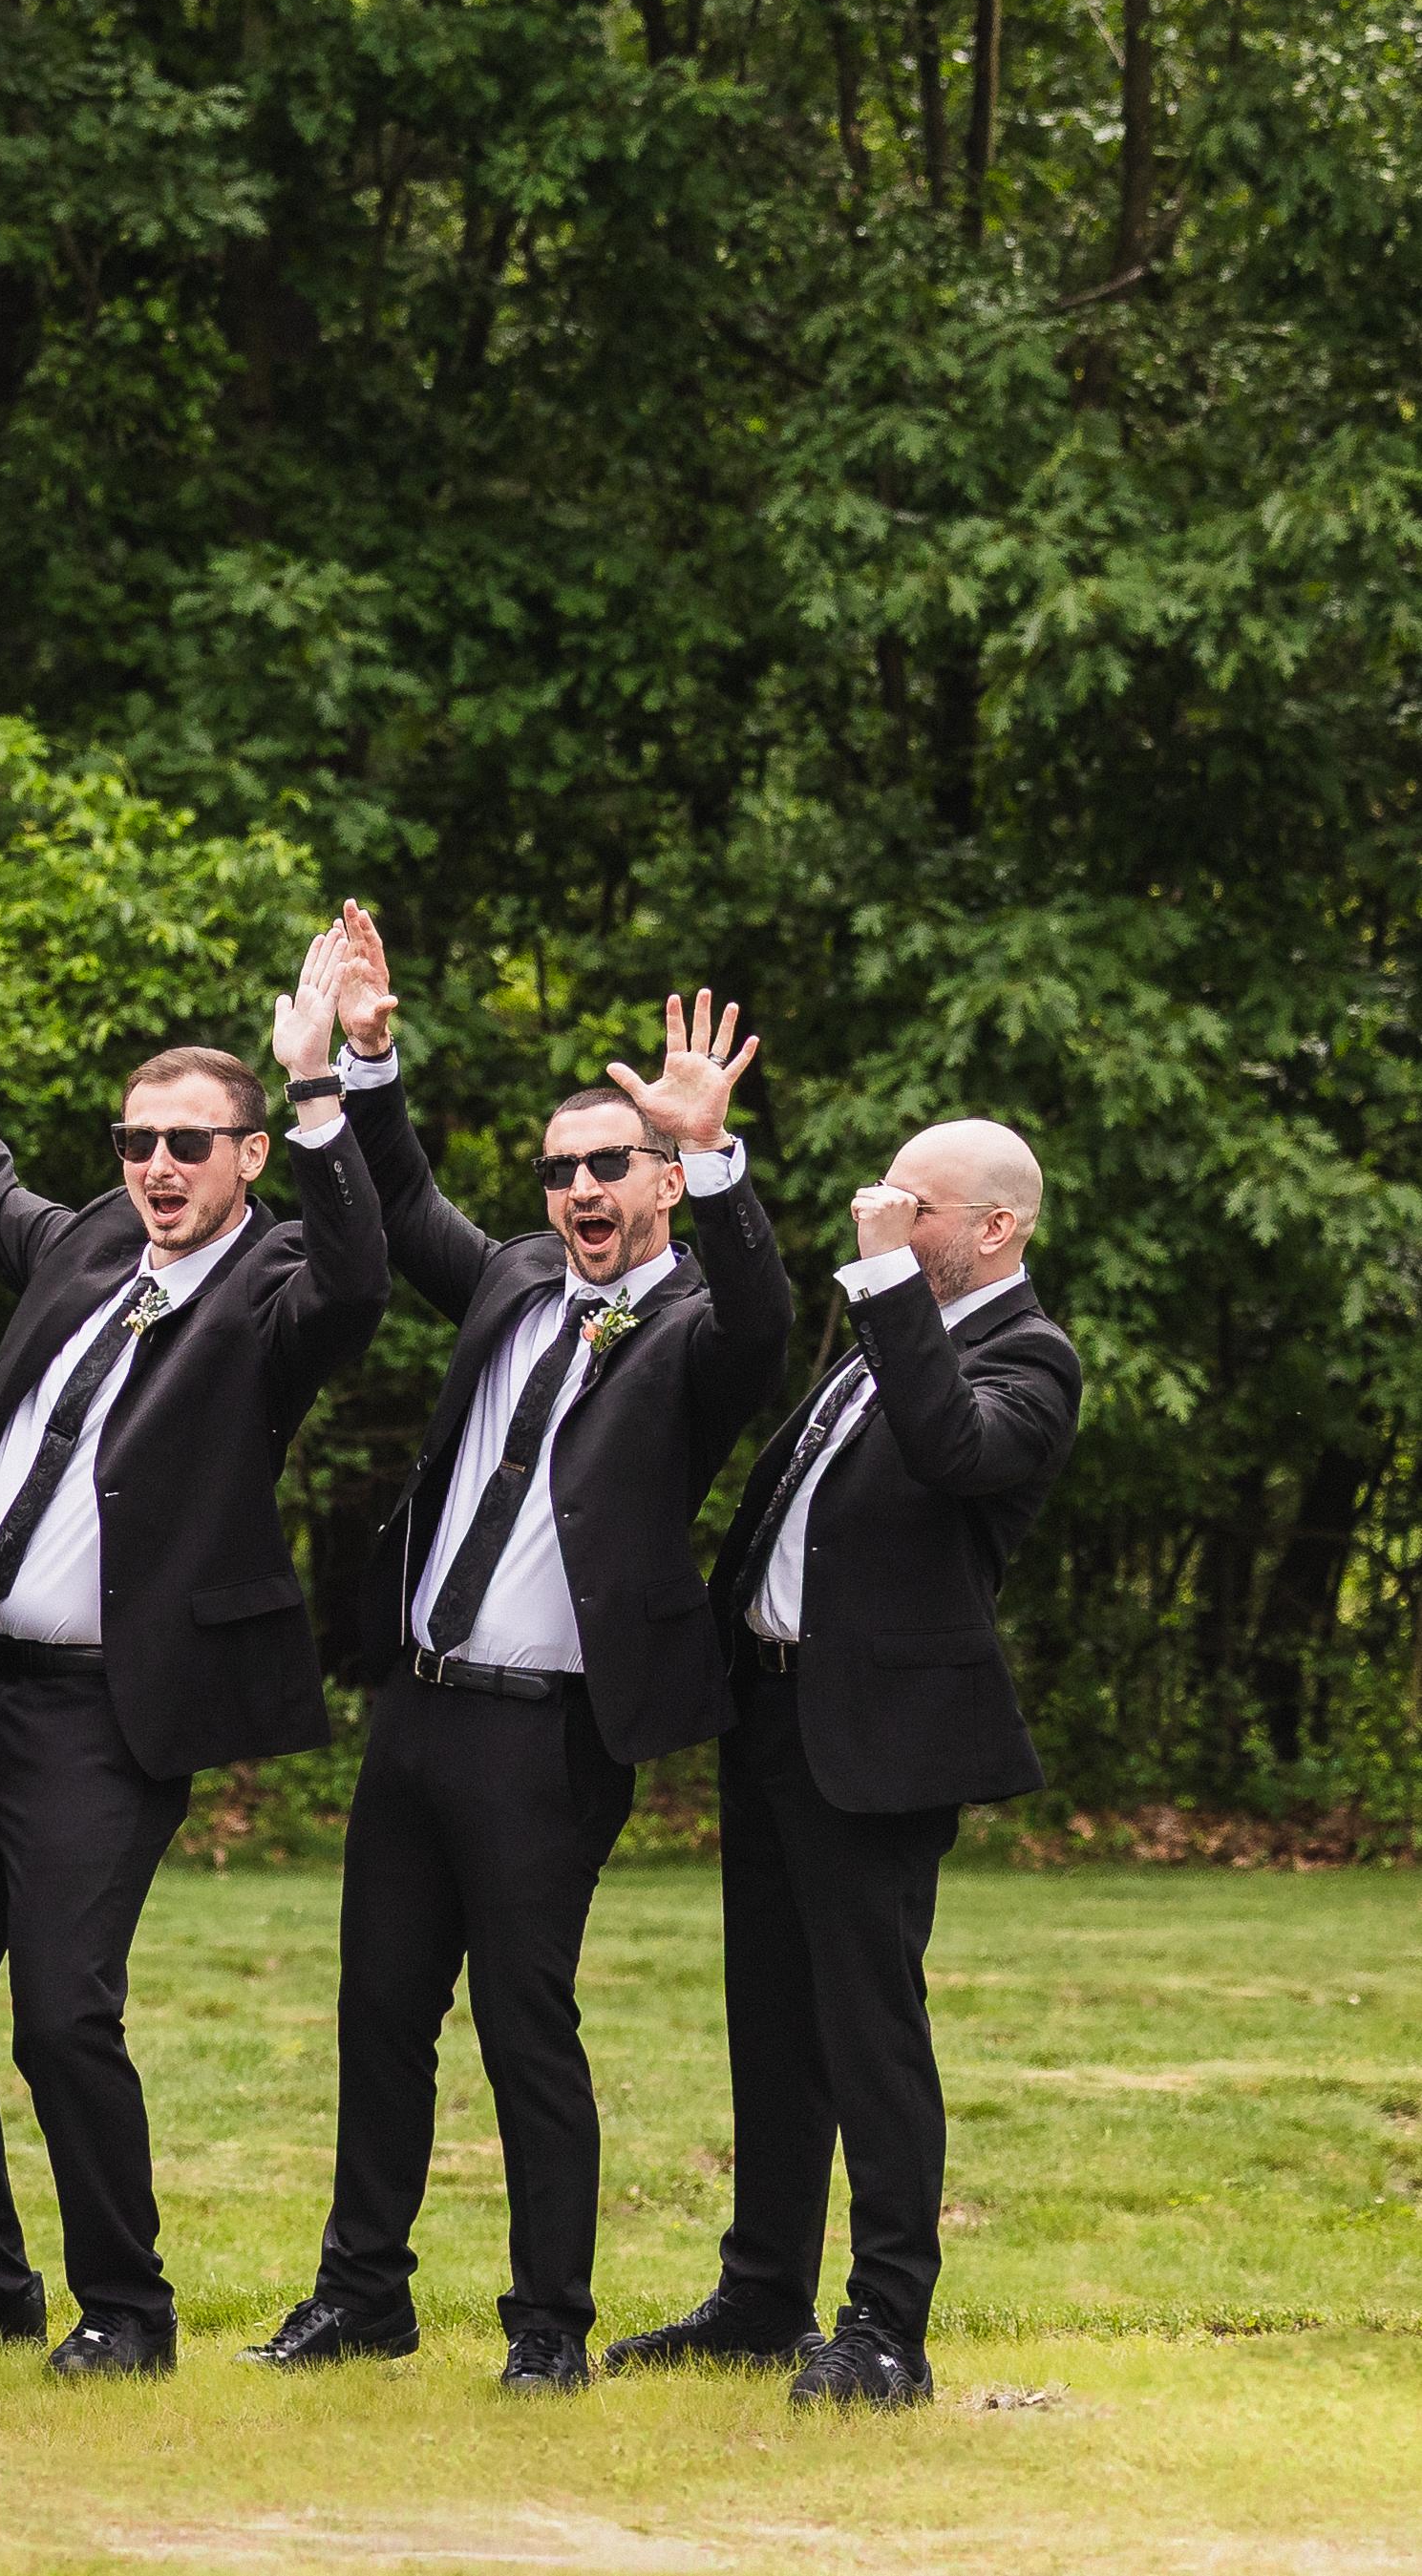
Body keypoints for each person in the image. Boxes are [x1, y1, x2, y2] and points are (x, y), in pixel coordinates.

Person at [0, 866, 384, 2378]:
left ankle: (126, 2310)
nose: (156, 1166)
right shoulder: (93, 1242)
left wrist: (316, 1082)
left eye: (186, 1143)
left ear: (245, 1155)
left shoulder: (276, 1284)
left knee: (61, 2016)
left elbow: (358, 1281)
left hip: (103, 1712)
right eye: (137, 1141)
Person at [257, 930, 791, 2391]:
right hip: (418, 1710)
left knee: (521, 2024)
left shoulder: (696, 1333)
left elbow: (764, 1317)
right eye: (559, 1171)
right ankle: (359, 2294)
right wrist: (369, 1056)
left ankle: (546, 2324)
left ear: (661, 1183)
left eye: (608, 1165)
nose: (577, 1190)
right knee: (379, 2012)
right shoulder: (507, 1281)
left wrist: (717, 1149)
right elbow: (403, 1197)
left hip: (549, 1738)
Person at [611, 1114, 1077, 2410]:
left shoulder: (1029, 1357)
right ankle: (762, 2295)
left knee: (868, 2032)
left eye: (910, 1205)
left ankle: (885, 2327)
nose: (878, 1215)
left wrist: (881, 1282)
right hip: (772, 1718)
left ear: (994, 1228)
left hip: (877, 1741)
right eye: (884, 1196)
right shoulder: (884, 1335)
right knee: (769, 2020)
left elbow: (951, 1450)